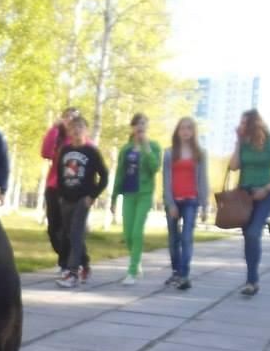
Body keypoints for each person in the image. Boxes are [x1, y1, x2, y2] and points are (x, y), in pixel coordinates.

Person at [228, 108, 270, 296]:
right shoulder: (243, 144)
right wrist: (238, 142)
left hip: (265, 195)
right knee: (248, 237)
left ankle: (252, 280)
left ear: (254, 124)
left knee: (254, 233)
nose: (240, 126)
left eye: (244, 122)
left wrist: (267, 188)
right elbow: (233, 166)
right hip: (244, 196)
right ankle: (251, 278)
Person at [54, 115, 108, 289]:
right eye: (73, 127)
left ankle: (72, 273)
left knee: (76, 233)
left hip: (82, 200)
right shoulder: (64, 150)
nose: (76, 130)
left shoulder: (92, 152)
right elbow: (59, 174)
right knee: (69, 234)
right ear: (69, 131)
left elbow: (104, 176)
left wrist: (92, 196)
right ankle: (85, 265)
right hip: (66, 199)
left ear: (86, 131)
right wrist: (60, 195)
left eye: (80, 127)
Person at [111, 113, 161, 285]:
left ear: (147, 127)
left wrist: (146, 148)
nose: (140, 127)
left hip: (144, 194)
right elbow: (120, 173)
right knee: (128, 234)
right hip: (129, 194)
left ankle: (132, 271)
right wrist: (113, 197)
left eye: (143, 124)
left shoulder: (154, 146)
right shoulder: (126, 149)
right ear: (132, 127)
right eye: (137, 124)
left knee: (137, 232)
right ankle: (136, 259)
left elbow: (155, 167)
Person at [41, 108, 91, 278]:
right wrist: (54, 129)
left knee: (69, 229)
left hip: (74, 191)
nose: (69, 120)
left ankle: (68, 264)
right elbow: (46, 152)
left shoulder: (83, 141)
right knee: (53, 229)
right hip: (54, 187)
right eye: (66, 117)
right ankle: (74, 260)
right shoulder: (59, 138)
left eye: (73, 118)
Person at [162, 116, 208, 290]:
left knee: (187, 238)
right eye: (182, 128)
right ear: (177, 131)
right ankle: (176, 272)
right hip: (174, 200)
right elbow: (166, 180)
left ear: (194, 131)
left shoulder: (200, 153)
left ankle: (184, 275)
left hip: (191, 201)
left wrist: (204, 205)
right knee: (173, 239)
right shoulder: (169, 153)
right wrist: (170, 203)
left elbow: (203, 179)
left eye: (189, 128)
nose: (186, 131)